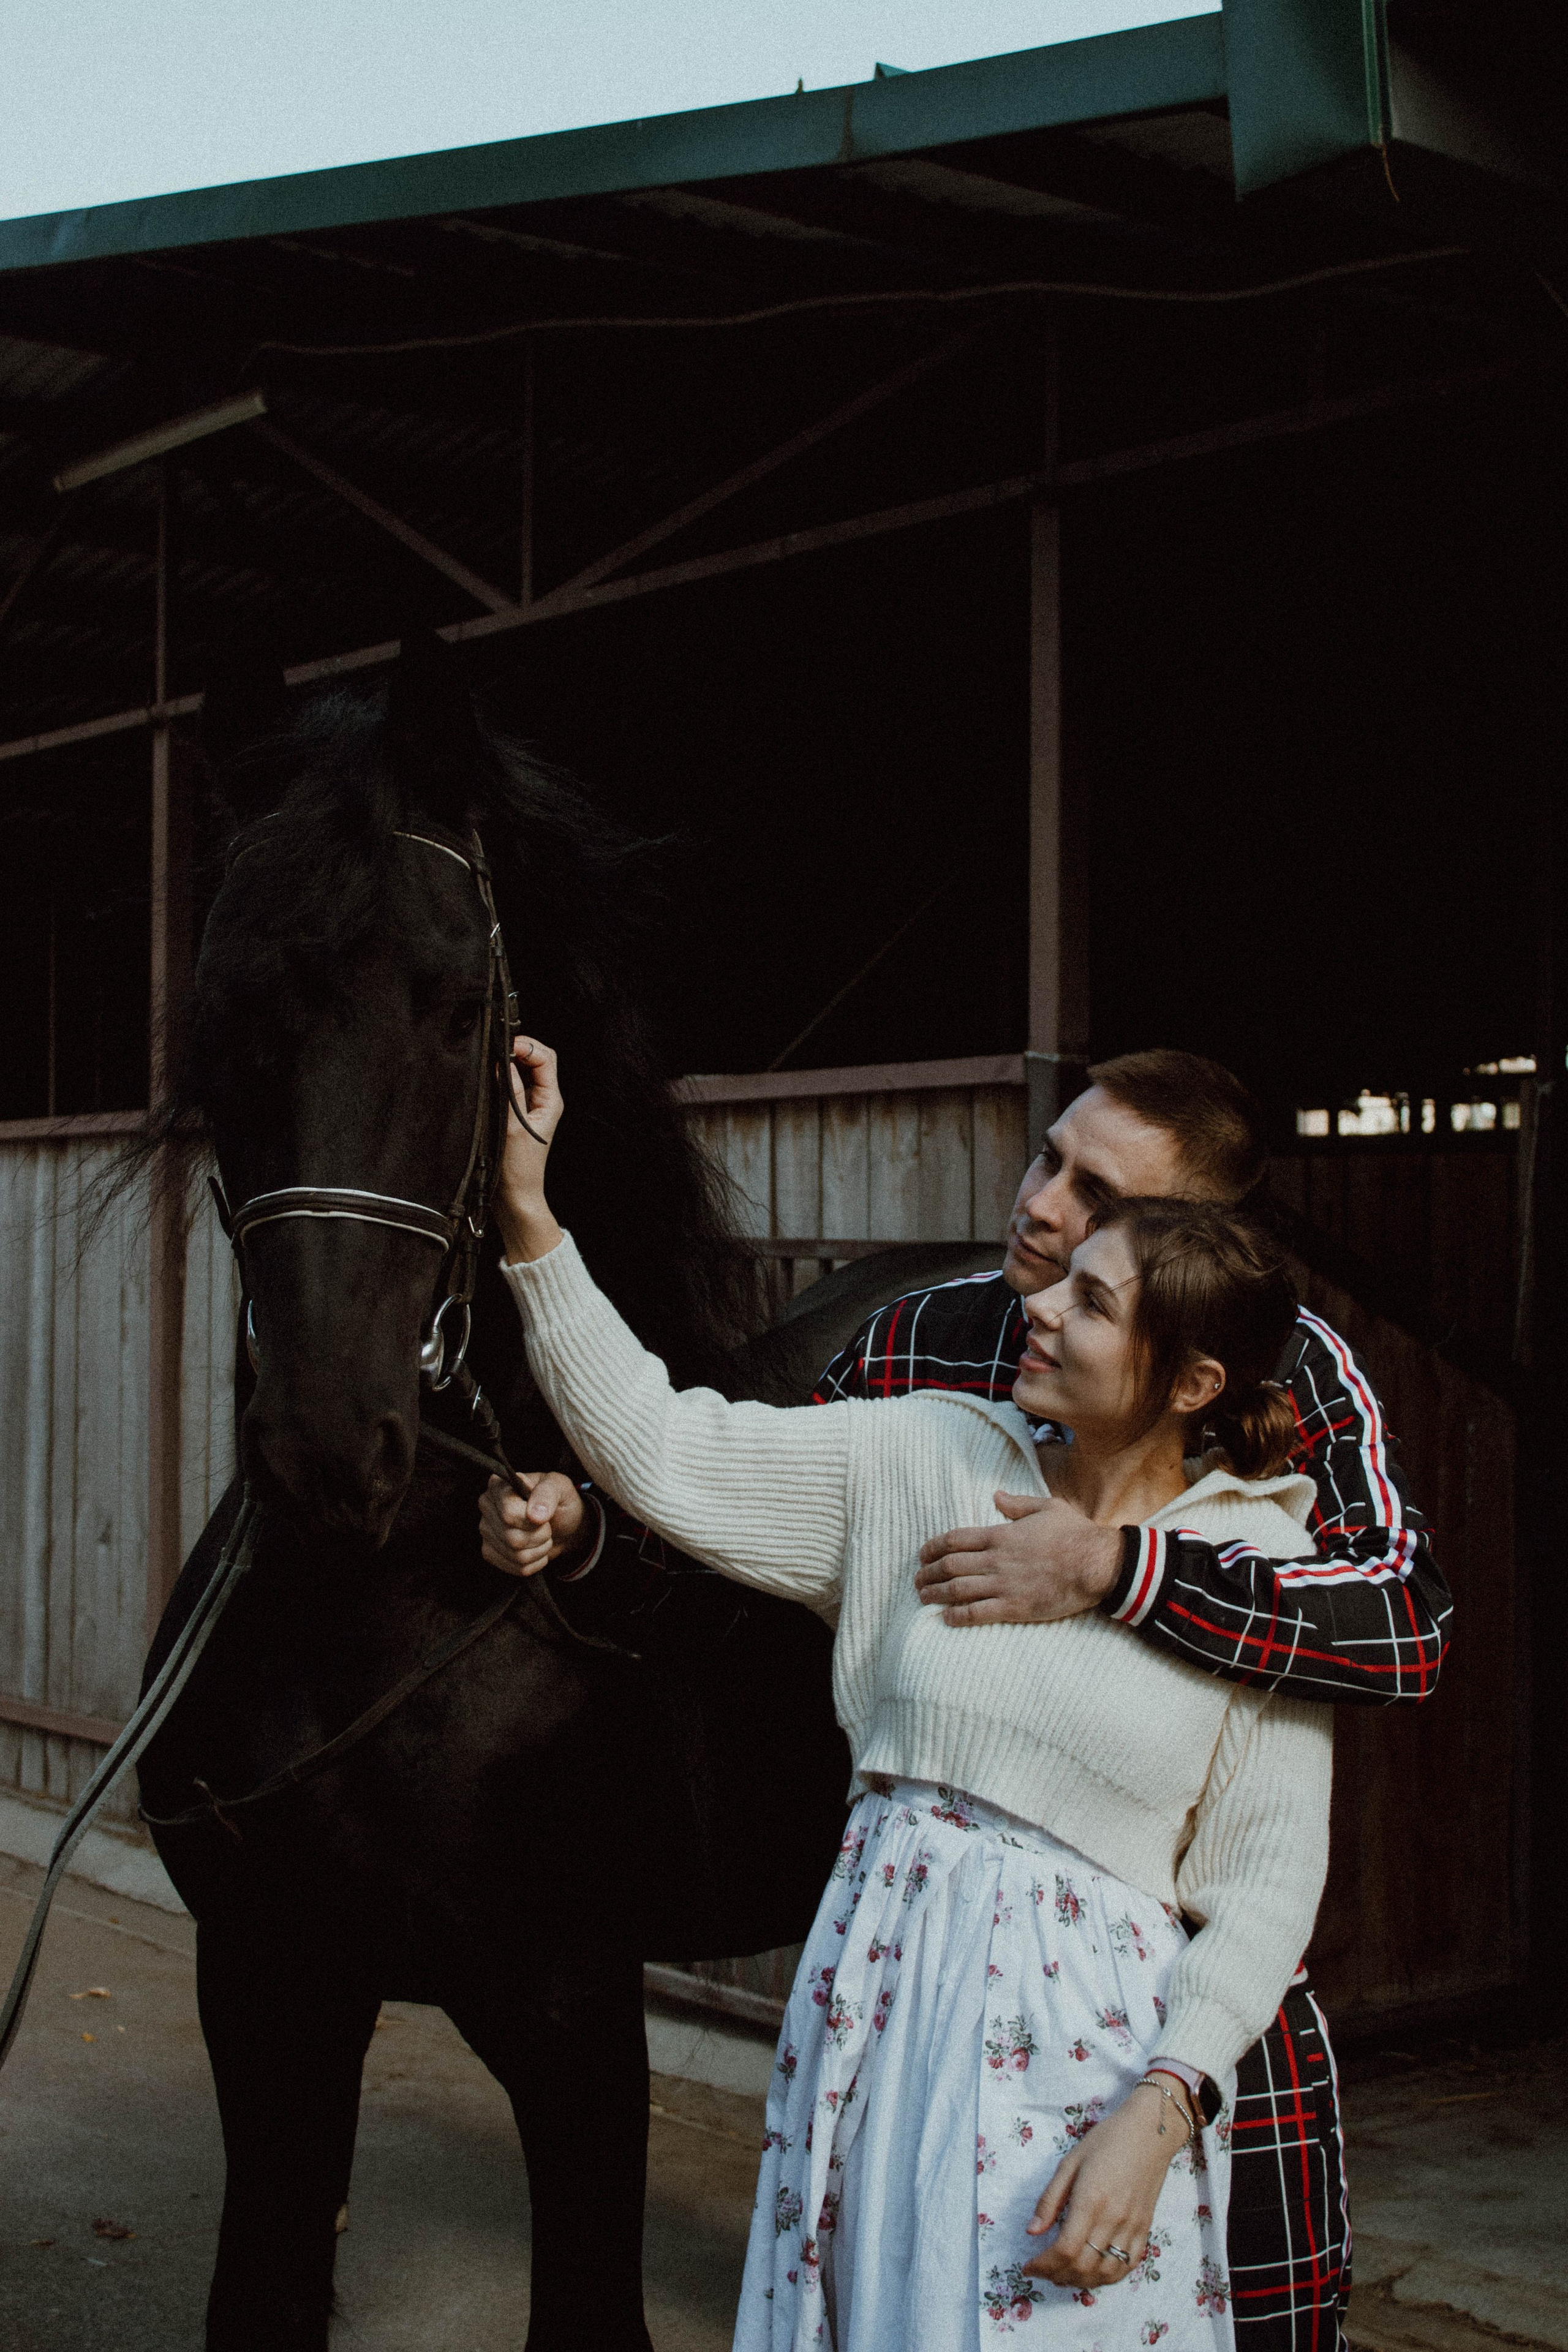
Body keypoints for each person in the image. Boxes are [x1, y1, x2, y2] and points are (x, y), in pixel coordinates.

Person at [481, 1047, 1450, 2352]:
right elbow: (722, 1489)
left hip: (1120, 2023)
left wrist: (1116, 1569)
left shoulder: (1279, 1403)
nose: (1039, 1204)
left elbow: (1395, 1631)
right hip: (889, 1992)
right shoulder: (925, 1382)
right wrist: (587, 1512)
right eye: (1048, 1157)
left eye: (1094, 1199)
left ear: (1186, 1268)